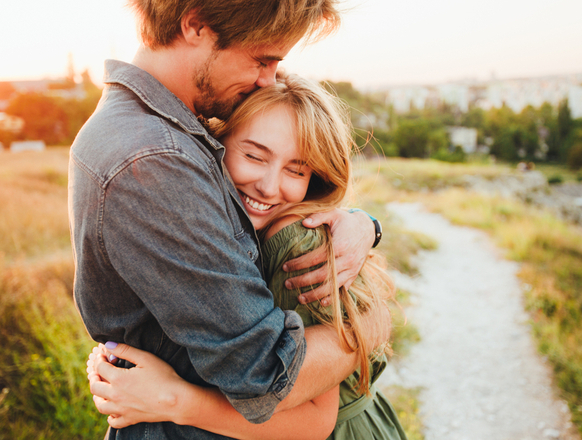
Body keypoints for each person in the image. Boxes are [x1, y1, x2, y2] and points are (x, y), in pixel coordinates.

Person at [68, 2, 389, 439]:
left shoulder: (161, 130)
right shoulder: (156, 157)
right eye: (262, 59)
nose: (269, 78)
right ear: (195, 24)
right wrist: (368, 324)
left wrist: (363, 224)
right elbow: (266, 372)